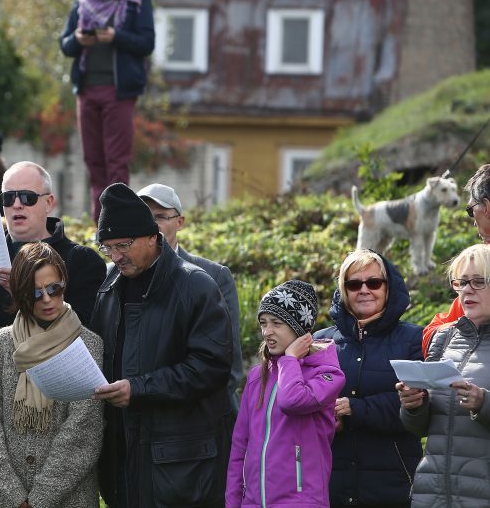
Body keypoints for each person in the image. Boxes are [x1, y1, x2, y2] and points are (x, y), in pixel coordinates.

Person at [0, 160, 106, 507]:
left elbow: (83, 333)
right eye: (8, 198)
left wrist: (25, 293)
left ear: (49, 202)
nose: (16, 206)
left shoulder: (81, 261)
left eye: (26, 196)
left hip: (59, 412)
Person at [90, 183, 232, 507]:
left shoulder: (195, 286)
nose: (115, 256)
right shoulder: (109, 286)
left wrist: (138, 389)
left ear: (152, 236)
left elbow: (212, 368)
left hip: (180, 467)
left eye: (122, 245)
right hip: (123, 462)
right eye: (107, 248)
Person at [0, 242, 103, 507]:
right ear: (19, 293)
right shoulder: (0, 344)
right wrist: (14, 497)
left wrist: (39, 499)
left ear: (64, 283)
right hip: (3, 499)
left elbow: (83, 431)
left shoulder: (88, 344)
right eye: (35, 292)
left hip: (68, 499)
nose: (47, 299)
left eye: (54, 288)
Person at [313, 250, 422, 507]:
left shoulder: (414, 340)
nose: (364, 290)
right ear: (343, 290)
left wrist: (356, 408)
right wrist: (326, 418)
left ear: (388, 287)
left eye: (373, 283)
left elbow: (419, 407)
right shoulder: (320, 342)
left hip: (394, 486)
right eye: (353, 284)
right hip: (331, 485)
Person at [59, 0, 155, 221]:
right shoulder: (82, 1)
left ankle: (119, 220)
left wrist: (116, 37)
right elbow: (65, 45)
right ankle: (97, 222)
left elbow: (147, 43)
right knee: (92, 161)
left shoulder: (137, 0)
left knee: (116, 162)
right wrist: (78, 40)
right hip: (87, 89)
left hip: (119, 91)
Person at [227, 280, 345, 508]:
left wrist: (289, 360)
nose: (266, 332)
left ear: (300, 329)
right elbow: (239, 447)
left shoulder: (327, 375)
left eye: (276, 323)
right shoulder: (256, 377)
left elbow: (291, 401)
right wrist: (233, 503)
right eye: (263, 323)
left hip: (302, 502)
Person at [136, 183, 243, 414]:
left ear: (180, 222)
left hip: (197, 421)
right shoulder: (115, 275)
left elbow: (229, 364)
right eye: (143, 216)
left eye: (160, 217)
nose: (151, 225)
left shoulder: (213, 276)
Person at [398, 243, 490, 507]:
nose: (467, 289)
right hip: (432, 493)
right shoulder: (443, 336)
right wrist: (414, 404)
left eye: (478, 281)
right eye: (461, 282)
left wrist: (483, 403)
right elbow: (418, 427)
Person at [422, 163, 490, 353]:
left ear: (486, 207)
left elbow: (432, 335)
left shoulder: (482, 263)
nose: (473, 220)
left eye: (471, 210)